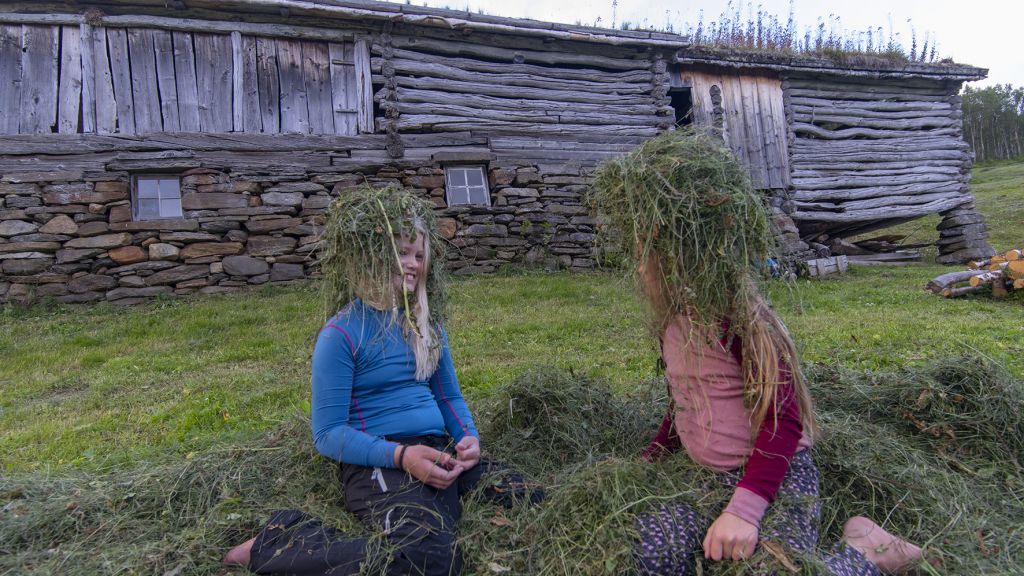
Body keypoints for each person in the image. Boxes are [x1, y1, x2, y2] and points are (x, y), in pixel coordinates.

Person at [590, 129, 923, 576]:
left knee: (771, 570)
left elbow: (783, 419)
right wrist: (653, 455)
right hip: (711, 478)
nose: (639, 265)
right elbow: (688, 398)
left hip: (776, 476)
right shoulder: (672, 322)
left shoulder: (741, 322)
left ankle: (867, 548)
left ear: (687, 253)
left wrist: (743, 512)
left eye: (648, 253)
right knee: (651, 553)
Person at [223, 187, 538, 576]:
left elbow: (448, 395)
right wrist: (403, 457)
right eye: (402, 252)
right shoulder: (340, 335)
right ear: (370, 256)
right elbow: (328, 434)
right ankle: (279, 540)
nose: (412, 263)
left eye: (419, 255)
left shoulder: (427, 324)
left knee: (533, 497)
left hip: (438, 449)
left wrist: (468, 437)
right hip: (380, 462)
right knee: (433, 561)